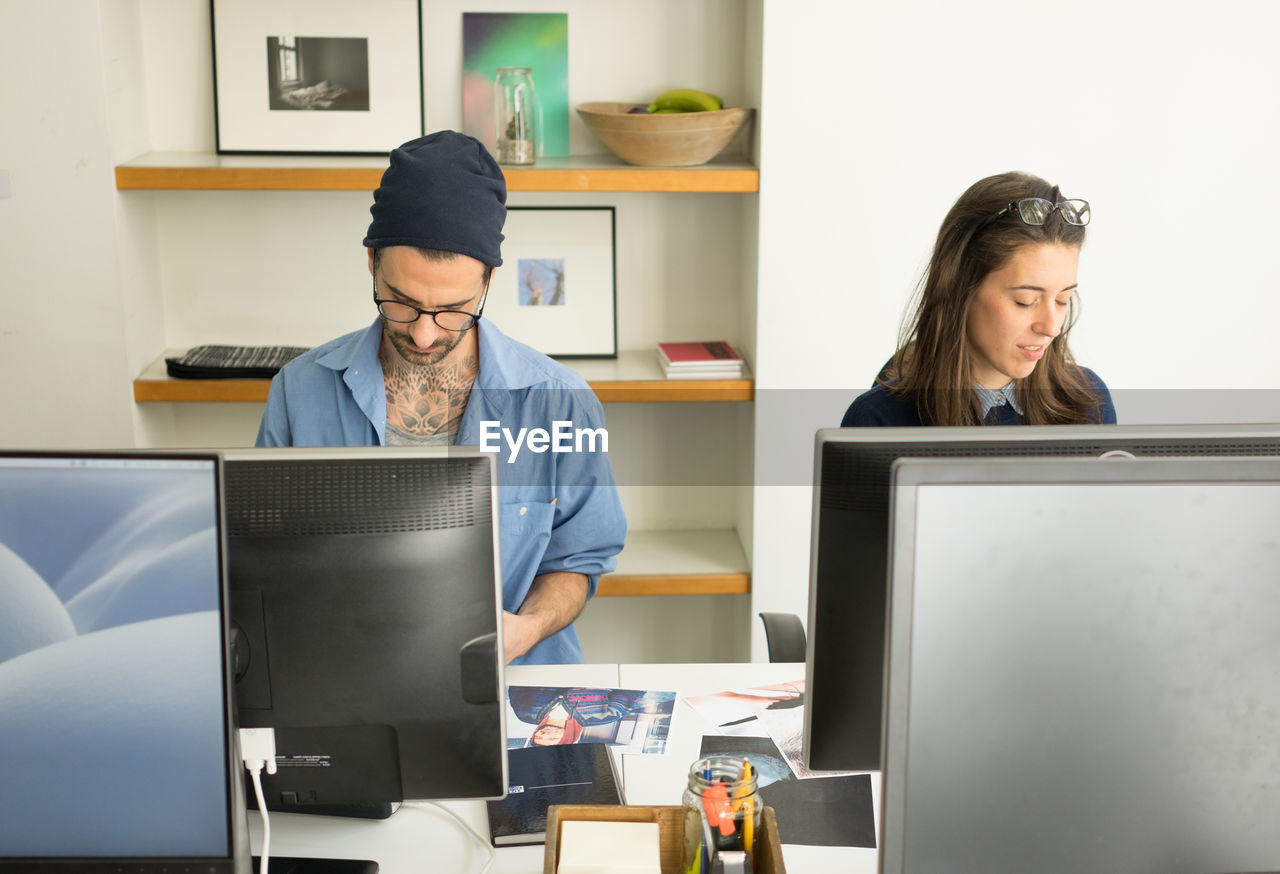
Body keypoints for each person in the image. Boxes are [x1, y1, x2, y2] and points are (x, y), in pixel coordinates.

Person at [255, 131, 626, 665]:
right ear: (371, 263)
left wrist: (526, 629)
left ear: (489, 281)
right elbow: (267, 555)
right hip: (347, 673)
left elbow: (579, 558)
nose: (425, 334)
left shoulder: (561, 402)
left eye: (453, 309)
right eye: (402, 304)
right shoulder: (299, 391)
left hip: (513, 684)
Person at [841, 171, 1117, 427]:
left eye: (1063, 299)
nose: (1051, 328)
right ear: (961, 288)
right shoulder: (878, 420)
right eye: (1025, 301)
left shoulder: (1089, 404)